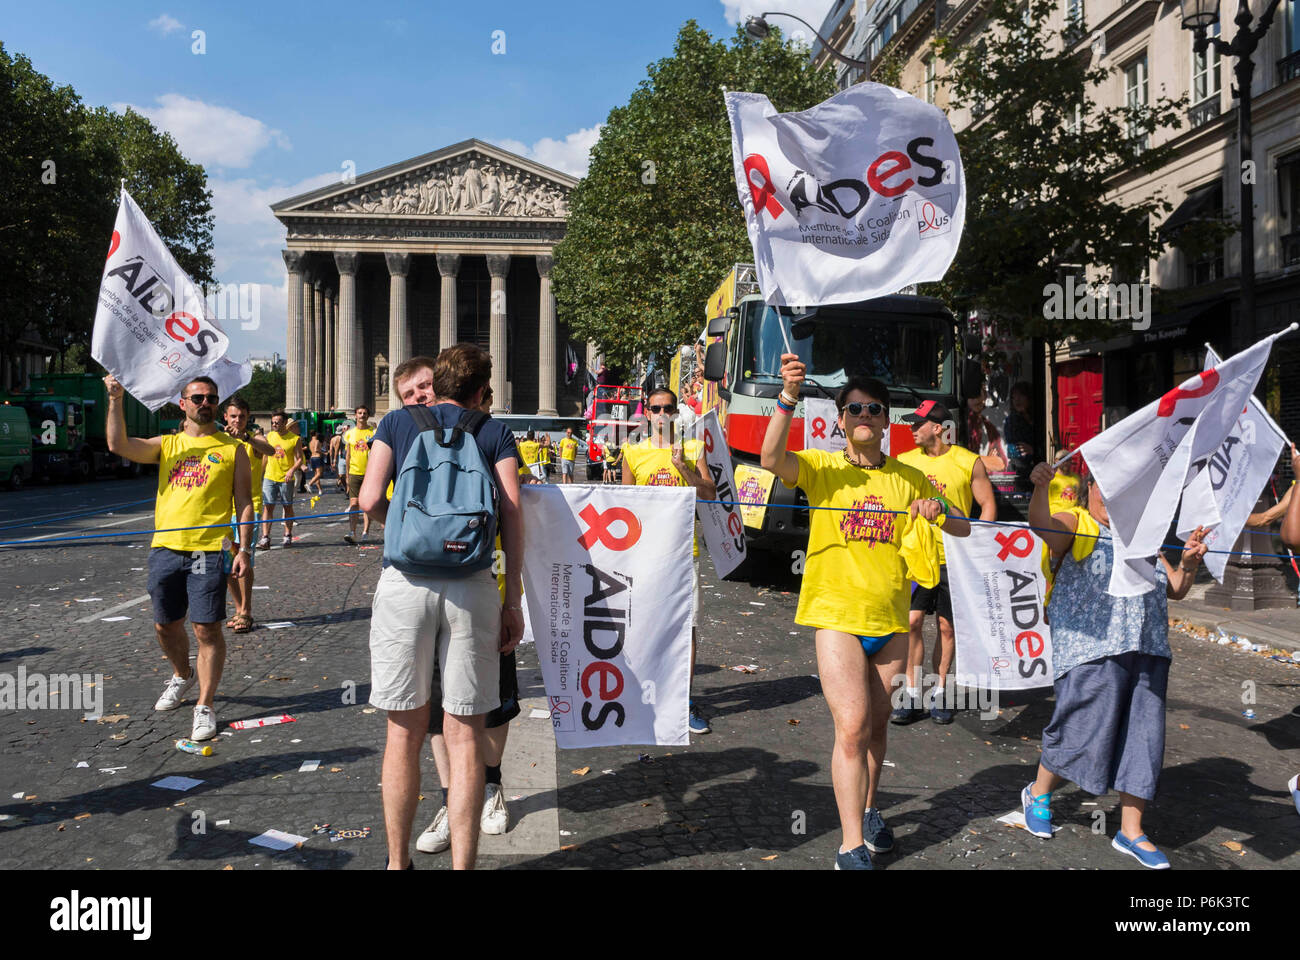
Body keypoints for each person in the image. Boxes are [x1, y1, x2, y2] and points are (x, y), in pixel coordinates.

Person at [759, 356, 971, 870]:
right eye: (854, 409)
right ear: (840, 420)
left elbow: (964, 528)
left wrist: (940, 509)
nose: (864, 416)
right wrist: (787, 396)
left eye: (873, 409)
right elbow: (770, 459)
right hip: (836, 617)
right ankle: (850, 844)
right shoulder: (822, 467)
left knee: (878, 726)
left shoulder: (908, 476)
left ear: (885, 420)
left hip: (892, 622)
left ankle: (871, 809)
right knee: (852, 726)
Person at [359, 343, 524, 870]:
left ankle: (396, 863)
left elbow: (366, 500)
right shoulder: (493, 431)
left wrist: (410, 532)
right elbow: (512, 516)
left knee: (403, 731)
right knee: (465, 733)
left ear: (438, 381)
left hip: (405, 584)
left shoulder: (396, 423)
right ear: (480, 391)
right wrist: (512, 596)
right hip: (473, 583)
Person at [1020, 461, 1207, 869]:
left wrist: (1190, 560)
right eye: (1106, 489)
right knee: (1080, 727)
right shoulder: (1079, 523)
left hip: (1148, 647)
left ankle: (1131, 831)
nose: (1113, 498)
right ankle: (1038, 792)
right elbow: (1045, 528)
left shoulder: (1147, 536)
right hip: (1091, 648)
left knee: (1143, 739)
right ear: (1089, 490)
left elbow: (1175, 588)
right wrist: (1040, 488)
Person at [104, 374, 253, 741]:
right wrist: (116, 399)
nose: (206, 403)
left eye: (212, 398)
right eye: (198, 397)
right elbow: (118, 444)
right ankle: (182, 675)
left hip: (208, 550)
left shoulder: (233, 449)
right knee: (165, 626)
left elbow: (245, 503)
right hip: (166, 549)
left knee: (207, 628)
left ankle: (205, 704)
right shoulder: (168, 444)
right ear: (182, 404)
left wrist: (244, 549)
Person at [418, 384, 520, 855]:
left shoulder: (492, 438)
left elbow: (518, 512)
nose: (423, 400)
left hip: (485, 588)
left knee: (494, 703)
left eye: (426, 389)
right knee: (439, 709)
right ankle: (450, 800)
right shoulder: (406, 439)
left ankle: (492, 786)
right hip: (425, 595)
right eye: (412, 394)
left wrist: (513, 597)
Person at [894, 400, 996, 724]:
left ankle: (939, 691)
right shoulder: (904, 461)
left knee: (947, 627)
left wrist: (979, 546)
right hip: (916, 557)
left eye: (918, 423)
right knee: (910, 623)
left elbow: (987, 505)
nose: (912, 428)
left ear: (937, 428)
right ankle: (911, 694)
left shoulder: (968, 461)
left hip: (953, 558)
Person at [622, 386, 716, 735]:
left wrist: (683, 467)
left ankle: (684, 701)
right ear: (646, 413)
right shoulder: (633, 452)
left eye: (668, 409)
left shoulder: (692, 448)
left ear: (677, 413)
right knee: (643, 627)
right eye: (656, 409)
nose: (662, 415)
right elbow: (625, 508)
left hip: (683, 554)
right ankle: (643, 698)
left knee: (686, 629)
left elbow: (710, 493)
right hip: (647, 555)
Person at [223, 397, 275, 634]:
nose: (237, 420)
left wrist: (245, 438)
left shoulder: (254, 439)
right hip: (223, 512)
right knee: (226, 562)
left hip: (247, 510)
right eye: (233, 416)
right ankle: (237, 607)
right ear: (226, 417)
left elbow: (270, 450)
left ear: (248, 417)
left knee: (242, 559)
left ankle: (246, 609)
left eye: (242, 416)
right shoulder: (220, 439)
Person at [258, 411, 302, 549]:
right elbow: (265, 456)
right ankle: (265, 537)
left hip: (286, 478)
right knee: (268, 506)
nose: (274, 424)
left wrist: (292, 470)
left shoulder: (294, 439)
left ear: (284, 423)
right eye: (272, 422)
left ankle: (287, 535)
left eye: (277, 422)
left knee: (287, 506)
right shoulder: (269, 436)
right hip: (269, 477)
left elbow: (300, 459)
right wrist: (261, 474)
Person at [343, 405, 375, 544]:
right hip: (354, 472)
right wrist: (346, 475)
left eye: (364, 413)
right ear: (355, 415)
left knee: (366, 505)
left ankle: (365, 531)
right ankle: (352, 531)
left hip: (370, 472)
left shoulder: (373, 432)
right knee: (354, 503)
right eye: (359, 413)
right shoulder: (350, 434)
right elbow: (348, 455)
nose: (362, 415)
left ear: (368, 416)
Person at [1002, 381, 1035, 480]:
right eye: (1013, 397)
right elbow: (1015, 447)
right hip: (1019, 470)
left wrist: (1034, 450)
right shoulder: (1012, 420)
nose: (1017, 400)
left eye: (1021, 396)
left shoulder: (1036, 419)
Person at [305, 431, 326, 496]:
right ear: (316, 434)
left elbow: (312, 450)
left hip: (312, 458)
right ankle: (309, 484)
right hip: (317, 457)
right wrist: (324, 453)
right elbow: (316, 450)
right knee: (319, 474)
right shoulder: (317, 441)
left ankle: (320, 490)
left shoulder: (310, 442)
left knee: (316, 475)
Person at [331, 426, 347, 493]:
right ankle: (342, 486)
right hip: (340, 457)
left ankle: (340, 485)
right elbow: (337, 450)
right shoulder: (340, 438)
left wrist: (332, 460)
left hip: (339, 457)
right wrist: (334, 460)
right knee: (342, 474)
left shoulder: (333, 439)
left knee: (341, 474)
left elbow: (331, 451)